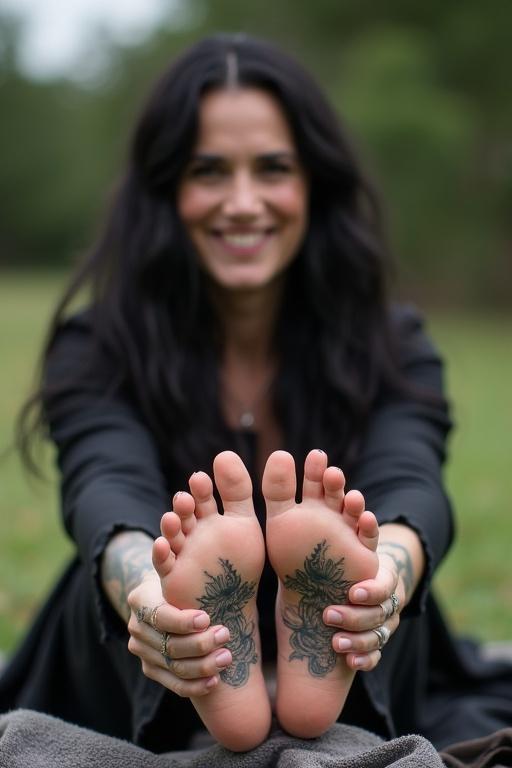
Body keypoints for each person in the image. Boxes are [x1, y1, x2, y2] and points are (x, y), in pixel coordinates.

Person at [1, 33, 511, 754]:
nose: (243, 203)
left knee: (391, 588)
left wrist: (384, 588)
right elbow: (104, 490)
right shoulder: (100, 345)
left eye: (272, 168)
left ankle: (326, 635)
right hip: (141, 641)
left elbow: (410, 480)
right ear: (167, 190)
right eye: (209, 171)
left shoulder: (390, 342)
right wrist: (148, 601)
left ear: (313, 184)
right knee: (116, 594)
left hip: (361, 633)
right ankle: (212, 661)